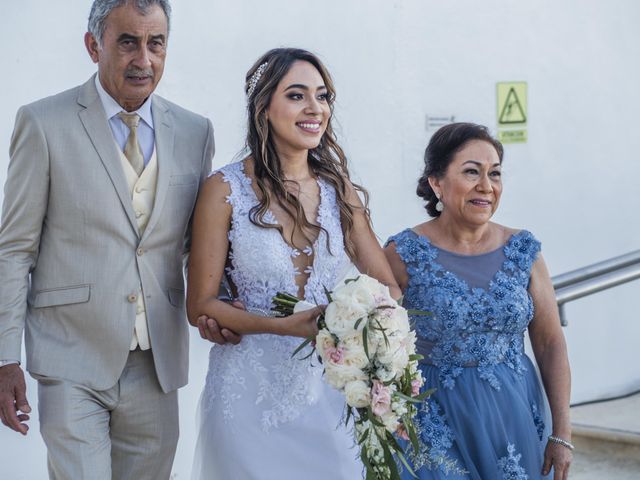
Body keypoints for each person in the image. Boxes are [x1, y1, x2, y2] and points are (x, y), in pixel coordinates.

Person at [0, 1, 215, 478]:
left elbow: (192, 248)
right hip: (71, 355)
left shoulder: (195, 132)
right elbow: (15, 248)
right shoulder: (43, 123)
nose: (144, 58)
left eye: (155, 42)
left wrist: (223, 305)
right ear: (93, 45)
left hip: (156, 363)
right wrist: (4, 357)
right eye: (127, 42)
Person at [187, 47, 401, 479]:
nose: (314, 109)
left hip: (329, 394)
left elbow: (388, 289)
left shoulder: (338, 191)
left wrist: (357, 326)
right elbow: (201, 306)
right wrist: (281, 326)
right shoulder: (223, 189)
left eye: (322, 97)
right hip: (247, 395)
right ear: (264, 108)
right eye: (297, 95)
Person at [384, 123, 572, 480]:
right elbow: (377, 341)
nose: (486, 185)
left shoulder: (524, 250)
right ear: (436, 182)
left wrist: (562, 432)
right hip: (433, 421)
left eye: (495, 173)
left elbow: (549, 344)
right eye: (472, 172)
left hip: (513, 416)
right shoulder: (403, 253)